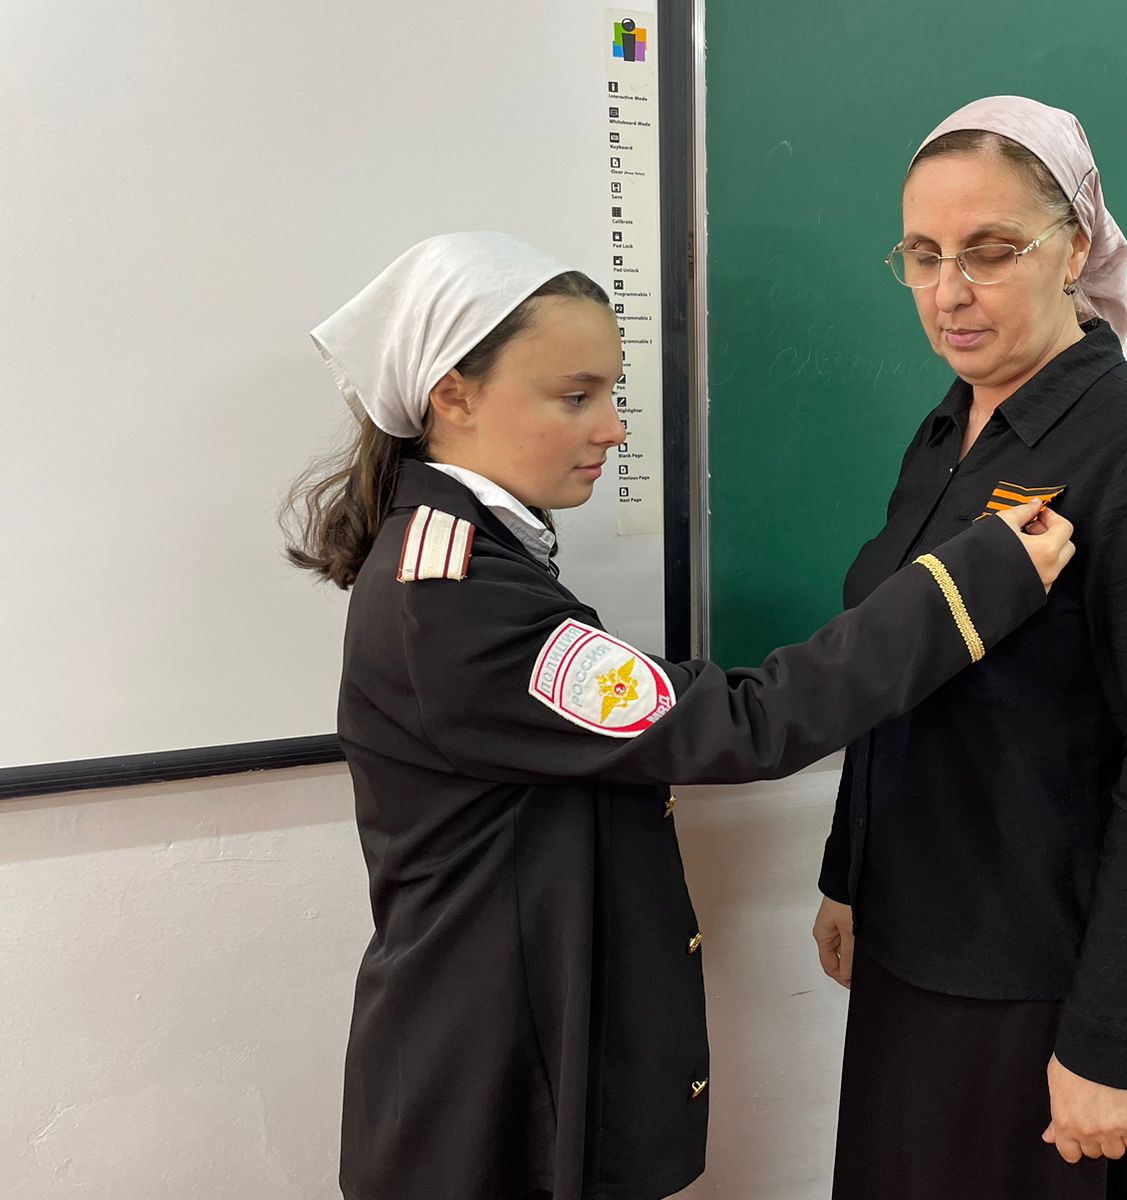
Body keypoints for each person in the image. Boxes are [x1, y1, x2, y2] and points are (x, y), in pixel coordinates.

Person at [281, 231, 1076, 1200]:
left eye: (611, 392)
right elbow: (739, 725)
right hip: (485, 1101)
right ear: (454, 396)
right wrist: (969, 583)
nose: (613, 429)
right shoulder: (455, 601)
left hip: (505, 1058)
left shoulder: (472, 552)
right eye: (575, 396)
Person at [811, 97, 1127, 1200]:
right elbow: (897, 673)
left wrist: (1113, 1041)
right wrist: (848, 874)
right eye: (923, 255)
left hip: (1034, 983)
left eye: (990, 251)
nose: (949, 291)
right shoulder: (946, 430)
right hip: (912, 943)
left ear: (1077, 246)